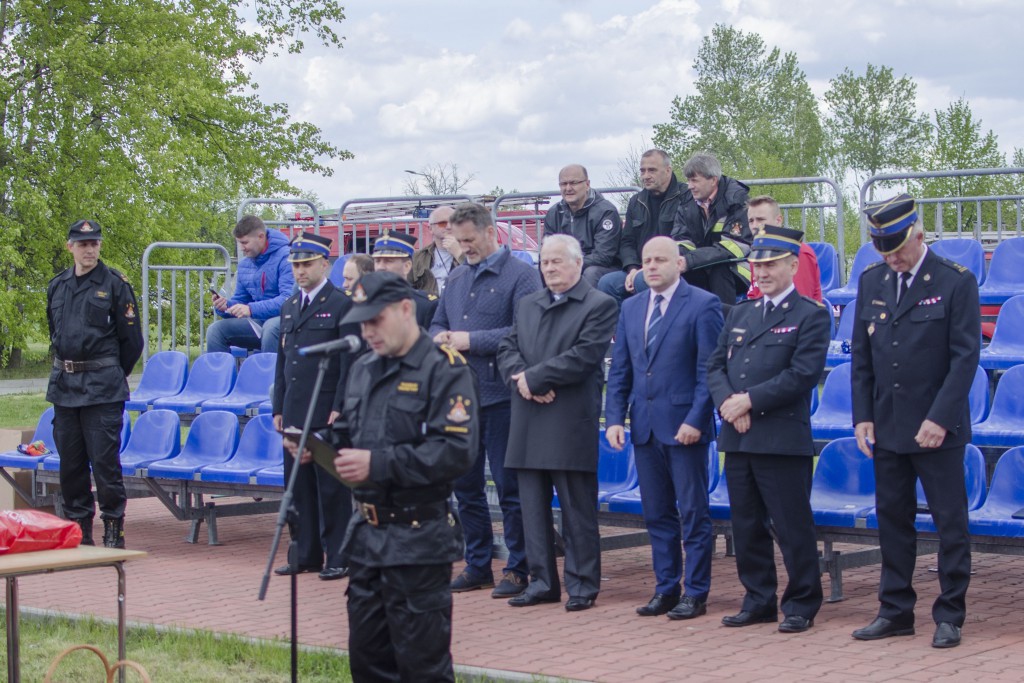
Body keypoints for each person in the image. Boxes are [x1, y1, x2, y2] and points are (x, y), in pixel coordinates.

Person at [334, 271, 478, 682]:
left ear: (405, 309)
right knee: (367, 662)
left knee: (421, 668)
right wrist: (316, 444)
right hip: (366, 537)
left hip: (417, 541)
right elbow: (351, 430)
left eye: (375, 320)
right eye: (362, 323)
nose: (368, 332)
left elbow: (455, 452)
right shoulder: (364, 367)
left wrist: (378, 464)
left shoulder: (445, 370)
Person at [850, 194, 980, 649]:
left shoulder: (954, 281)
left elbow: (965, 358)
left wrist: (940, 419)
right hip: (887, 424)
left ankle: (950, 614)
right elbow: (862, 359)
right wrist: (862, 416)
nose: (891, 258)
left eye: (898, 248)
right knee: (893, 521)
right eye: (883, 250)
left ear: (919, 235)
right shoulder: (872, 281)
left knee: (950, 523)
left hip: (938, 429)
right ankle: (895, 610)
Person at [707, 225, 830, 634]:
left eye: (771, 264)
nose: (761, 272)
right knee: (746, 525)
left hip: (779, 438)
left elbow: (801, 374)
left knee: (791, 526)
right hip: (738, 435)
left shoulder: (810, 314)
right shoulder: (741, 311)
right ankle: (758, 599)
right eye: (756, 265)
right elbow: (715, 366)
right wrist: (729, 402)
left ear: (793, 265)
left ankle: (800, 603)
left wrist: (749, 401)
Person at [496, 234, 618, 611]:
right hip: (529, 417)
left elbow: (584, 356)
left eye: (557, 261)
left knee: (577, 511)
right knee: (532, 508)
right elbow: (507, 347)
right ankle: (542, 581)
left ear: (578, 263)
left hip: (568, 419)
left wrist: (537, 378)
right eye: (545, 262)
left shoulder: (600, 304)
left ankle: (582, 585)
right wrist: (523, 379)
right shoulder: (528, 304)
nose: (549, 268)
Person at [605, 236, 723, 620]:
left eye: (660, 260)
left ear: (678, 263)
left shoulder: (703, 305)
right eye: (646, 260)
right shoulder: (631, 307)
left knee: (692, 513)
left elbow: (710, 371)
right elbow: (620, 369)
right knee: (656, 514)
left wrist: (696, 419)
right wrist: (614, 419)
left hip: (684, 427)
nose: (651, 267)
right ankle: (665, 588)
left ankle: (696, 592)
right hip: (644, 427)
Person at [429, 202, 542, 598]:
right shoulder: (457, 277)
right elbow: (439, 321)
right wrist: (440, 338)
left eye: (470, 240)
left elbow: (526, 330)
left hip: (502, 397)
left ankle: (518, 567)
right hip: (459, 397)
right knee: (467, 486)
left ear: (490, 232)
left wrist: (471, 341)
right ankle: (478, 564)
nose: (464, 247)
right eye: (460, 241)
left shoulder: (523, 276)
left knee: (510, 487)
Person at [46, 219, 144, 547]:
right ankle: (78, 533)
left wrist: (110, 371)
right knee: (71, 466)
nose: (90, 249)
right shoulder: (57, 285)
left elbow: (132, 341)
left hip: (102, 387)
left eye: (95, 243)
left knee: (104, 463)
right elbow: (56, 334)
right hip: (66, 386)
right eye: (83, 244)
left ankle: (114, 531)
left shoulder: (115, 284)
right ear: (70, 246)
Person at [272, 233, 359, 581]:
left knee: (331, 488)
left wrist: (340, 405)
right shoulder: (290, 306)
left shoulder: (341, 304)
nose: (300, 271)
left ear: (325, 263)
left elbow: (348, 362)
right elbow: (283, 362)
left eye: (307, 263)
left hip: (326, 411)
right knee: (298, 486)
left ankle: (339, 555)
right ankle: (304, 553)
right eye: (295, 265)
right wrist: (278, 405)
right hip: (295, 408)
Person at [598, 149, 684, 306]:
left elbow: (684, 239)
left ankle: (654, 329)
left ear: (668, 170)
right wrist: (632, 268)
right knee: (607, 283)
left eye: (652, 170)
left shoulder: (685, 197)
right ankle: (621, 331)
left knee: (642, 280)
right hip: (638, 268)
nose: (645, 176)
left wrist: (648, 268)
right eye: (642, 171)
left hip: (673, 269)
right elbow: (627, 242)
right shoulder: (636, 201)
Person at [671, 152, 752, 306]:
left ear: (713, 180)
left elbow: (734, 247)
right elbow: (680, 239)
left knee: (718, 269)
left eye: (694, 180)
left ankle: (724, 324)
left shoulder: (737, 200)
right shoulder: (686, 202)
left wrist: (690, 260)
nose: (689, 186)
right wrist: (677, 259)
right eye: (688, 180)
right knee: (677, 273)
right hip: (700, 264)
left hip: (738, 267)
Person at [207, 215, 294, 354]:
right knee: (215, 330)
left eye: (245, 242)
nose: (241, 248)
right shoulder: (245, 265)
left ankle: (269, 375)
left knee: (271, 328)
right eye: (239, 243)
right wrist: (225, 307)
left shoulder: (286, 257)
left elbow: (288, 301)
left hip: (287, 323)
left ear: (261, 237)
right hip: (258, 323)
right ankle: (222, 375)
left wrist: (251, 309)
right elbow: (241, 301)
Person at [543, 164, 622, 288]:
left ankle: (587, 308)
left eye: (574, 183)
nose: (568, 188)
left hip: (604, 268)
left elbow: (603, 256)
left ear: (587, 184)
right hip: (566, 264)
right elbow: (546, 250)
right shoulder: (554, 213)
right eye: (564, 184)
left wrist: (569, 265)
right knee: (537, 271)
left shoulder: (606, 212)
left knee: (590, 273)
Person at [744, 195, 822, 301]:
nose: (754, 226)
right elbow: (753, 297)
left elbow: (799, 306)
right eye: (751, 221)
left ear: (778, 220)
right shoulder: (757, 253)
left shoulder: (798, 253)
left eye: (760, 220)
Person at [371, 230, 438, 328]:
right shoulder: (366, 301)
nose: (381, 267)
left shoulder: (426, 305)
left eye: (388, 261)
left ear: (407, 266)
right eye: (377, 261)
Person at [413, 206, 465, 295]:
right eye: (443, 223)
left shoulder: (472, 252)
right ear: (430, 229)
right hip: (430, 306)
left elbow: (481, 278)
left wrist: (459, 253)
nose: (449, 227)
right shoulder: (419, 257)